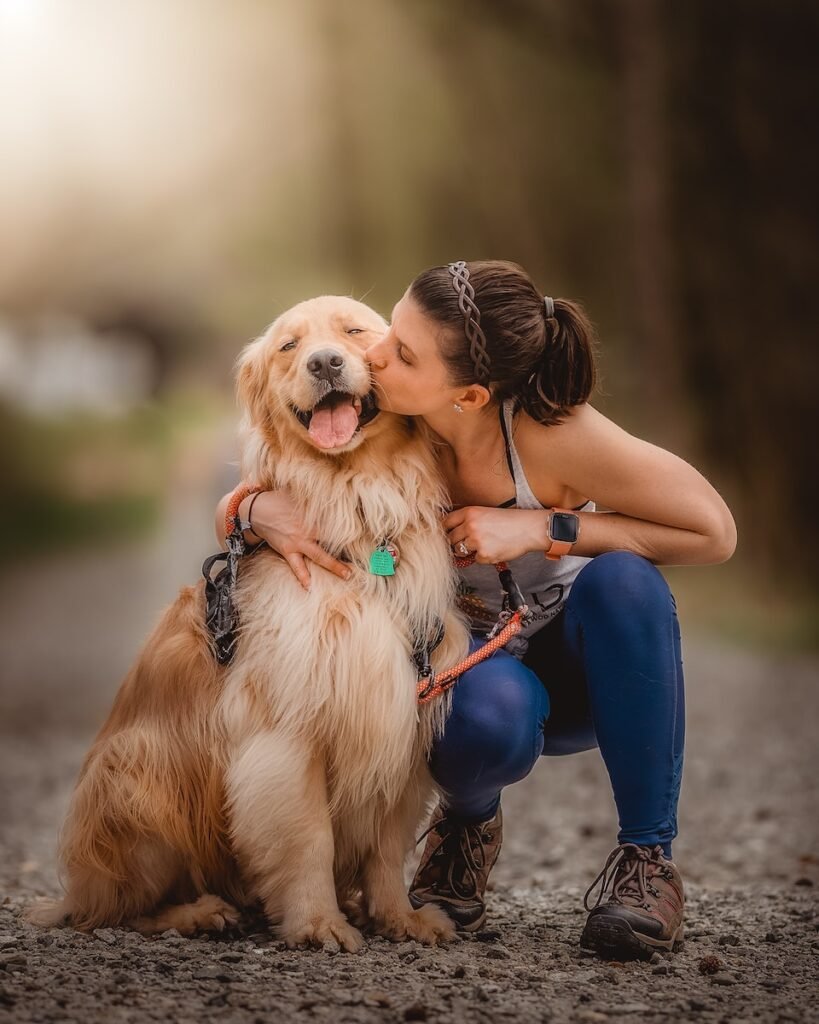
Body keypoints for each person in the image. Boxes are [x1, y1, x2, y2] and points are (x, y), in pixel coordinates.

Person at [215, 260, 736, 959]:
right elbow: (303, 494)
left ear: (467, 394)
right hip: (474, 682)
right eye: (387, 332)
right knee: (476, 715)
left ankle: (646, 862)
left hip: (578, 668)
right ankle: (465, 826)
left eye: (398, 351)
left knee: (625, 582)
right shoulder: (384, 430)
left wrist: (547, 528)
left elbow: (712, 531)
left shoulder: (550, 433)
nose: (367, 354)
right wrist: (248, 509)